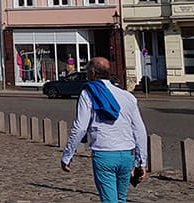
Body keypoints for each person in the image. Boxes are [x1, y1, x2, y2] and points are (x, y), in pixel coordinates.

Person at [61, 57, 148, 203]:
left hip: (104, 154)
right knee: (121, 199)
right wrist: (141, 162)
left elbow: (80, 127)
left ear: (92, 73)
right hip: (127, 155)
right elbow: (139, 130)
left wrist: (68, 155)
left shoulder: (89, 93)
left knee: (109, 200)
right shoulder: (128, 96)